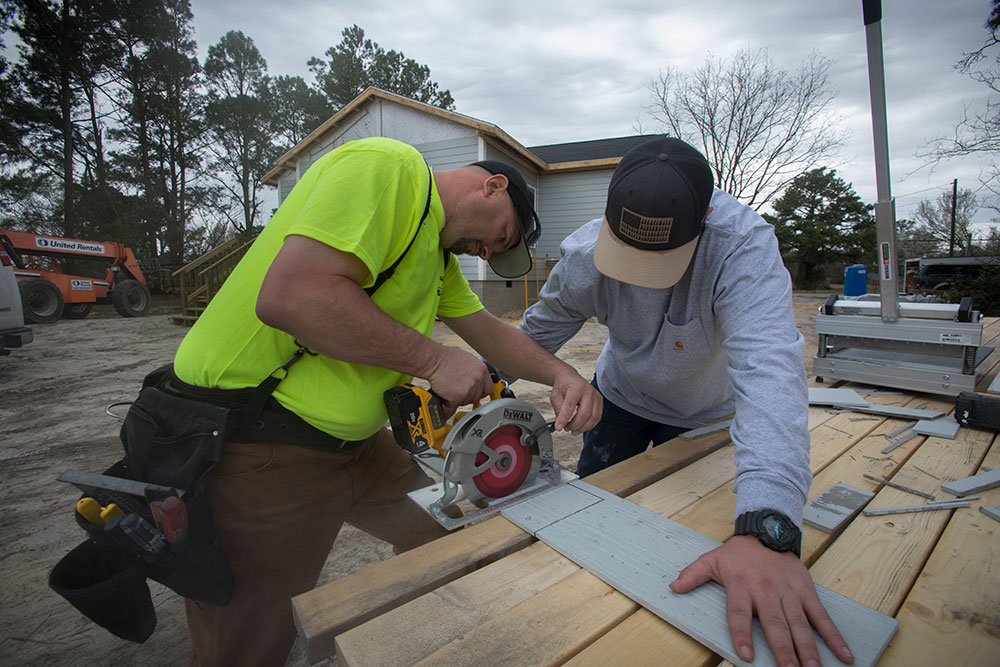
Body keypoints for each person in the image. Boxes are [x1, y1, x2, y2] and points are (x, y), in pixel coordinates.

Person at [168, 136, 602, 665]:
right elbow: (293, 296)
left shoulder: (433, 254)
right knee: (249, 638)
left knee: (438, 539)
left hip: (353, 445)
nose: (486, 252)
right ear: (493, 187)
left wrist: (561, 374)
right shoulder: (391, 168)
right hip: (262, 438)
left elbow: (488, 330)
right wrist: (435, 361)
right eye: (501, 236)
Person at [516, 136, 855, 666]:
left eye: (656, 263)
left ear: (705, 220)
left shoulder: (742, 248)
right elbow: (537, 332)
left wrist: (767, 526)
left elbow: (769, 370)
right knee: (592, 522)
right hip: (619, 399)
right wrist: (480, 377)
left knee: (685, 533)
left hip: (705, 412)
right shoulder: (585, 254)